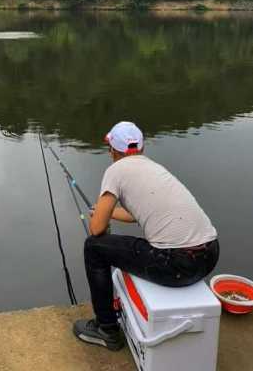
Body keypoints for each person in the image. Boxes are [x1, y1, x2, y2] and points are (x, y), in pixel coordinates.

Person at [73, 121, 219, 351]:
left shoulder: (115, 170)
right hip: (209, 256)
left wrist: (100, 216)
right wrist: (105, 212)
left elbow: (96, 229)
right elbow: (135, 215)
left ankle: (106, 328)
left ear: (112, 150)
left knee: (93, 247)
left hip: (176, 265)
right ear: (141, 148)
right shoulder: (154, 168)